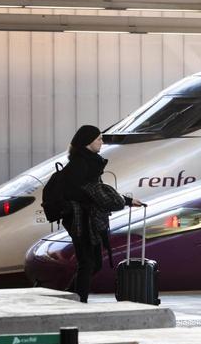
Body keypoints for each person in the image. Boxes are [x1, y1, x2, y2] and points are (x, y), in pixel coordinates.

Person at [61, 124, 142, 303]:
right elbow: (95, 193)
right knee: (88, 263)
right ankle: (77, 301)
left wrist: (127, 201)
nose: (101, 142)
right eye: (98, 139)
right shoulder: (81, 165)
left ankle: (68, 297)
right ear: (88, 142)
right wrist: (124, 201)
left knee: (94, 263)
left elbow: (97, 192)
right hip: (81, 219)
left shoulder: (89, 162)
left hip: (89, 219)